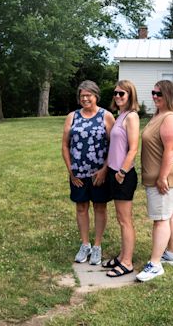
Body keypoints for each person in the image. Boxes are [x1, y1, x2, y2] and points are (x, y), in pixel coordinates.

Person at [136, 80, 173, 282]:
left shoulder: (170, 118)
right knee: (171, 214)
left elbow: (172, 149)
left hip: (166, 176)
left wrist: (162, 176)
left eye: (159, 93)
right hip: (164, 175)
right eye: (153, 93)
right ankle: (172, 254)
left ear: (169, 95)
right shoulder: (159, 115)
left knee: (161, 219)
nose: (155, 96)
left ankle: (155, 264)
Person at [62, 80, 115, 265]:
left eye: (88, 95)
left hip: (99, 174)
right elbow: (65, 145)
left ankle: (97, 247)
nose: (85, 98)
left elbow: (114, 146)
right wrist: (71, 171)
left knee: (100, 207)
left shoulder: (106, 116)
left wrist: (104, 169)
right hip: (78, 174)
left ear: (96, 96)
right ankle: (85, 245)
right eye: (82, 95)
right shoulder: (72, 117)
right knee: (81, 208)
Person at [102, 80, 140, 277]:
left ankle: (127, 262)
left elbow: (133, 148)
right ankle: (121, 256)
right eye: (115, 93)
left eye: (122, 94)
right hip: (114, 173)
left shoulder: (132, 117)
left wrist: (122, 172)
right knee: (120, 218)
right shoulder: (120, 115)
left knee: (125, 220)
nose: (117, 97)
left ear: (130, 96)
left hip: (123, 175)